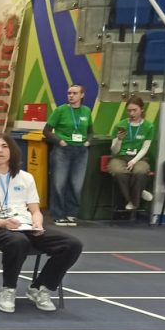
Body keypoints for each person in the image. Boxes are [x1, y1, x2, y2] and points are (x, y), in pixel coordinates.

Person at [0, 134, 83, 313]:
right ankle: (8, 289)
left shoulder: (26, 178)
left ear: (12, 151)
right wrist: (2, 223)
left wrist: (37, 224)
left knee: (72, 244)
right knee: (18, 241)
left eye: (4, 146)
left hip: (26, 226)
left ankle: (40, 287)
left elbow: (35, 211)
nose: (0, 151)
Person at [43, 84, 93, 226]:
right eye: (69, 93)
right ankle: (58, 215)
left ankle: (71, 213)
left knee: (76, 184)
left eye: (74, 93)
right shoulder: (60, 110)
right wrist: (60, 141)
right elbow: (46, 131)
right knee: (59, 183)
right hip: (62, 151)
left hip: (81, 151)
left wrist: (88, 142)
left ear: (82, 95)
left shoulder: (86, 111)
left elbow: (90, 131)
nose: (71, 95)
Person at [108, 96, 155, 211]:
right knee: (118, 172)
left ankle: (134, 199)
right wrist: (119, 140)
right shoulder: (120, 125)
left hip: (139, 158)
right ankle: (135, 197)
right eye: (129, 111)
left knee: (140, 171)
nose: (132, 113)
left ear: (141, 109)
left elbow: (145, 148)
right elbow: (114, 150)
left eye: (135, 110)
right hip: (120, 157)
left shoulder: (149, 126)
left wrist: (134, 161)